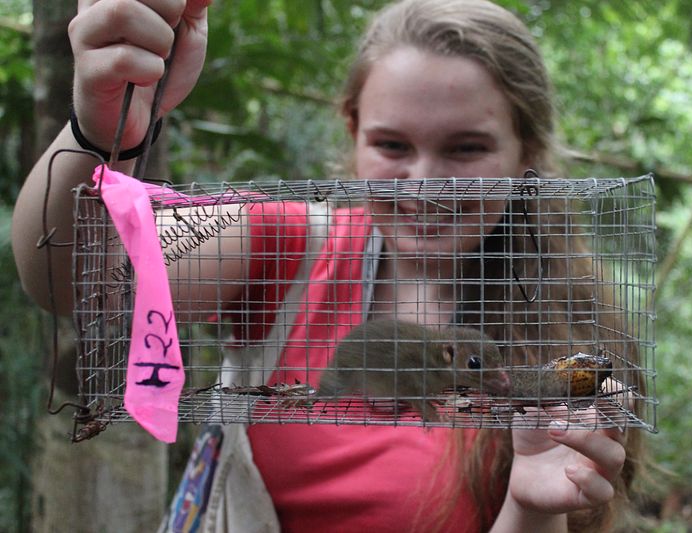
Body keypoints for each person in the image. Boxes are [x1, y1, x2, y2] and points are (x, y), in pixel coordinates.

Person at [12, 0, 641, 531]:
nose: (424, 182)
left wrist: (531, 510)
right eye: (392, 144)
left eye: (466, 148)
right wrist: (104, 130)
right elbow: (75, 279)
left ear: (525, 151)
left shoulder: (574, 328)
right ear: (354, 131)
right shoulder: (288, 244)